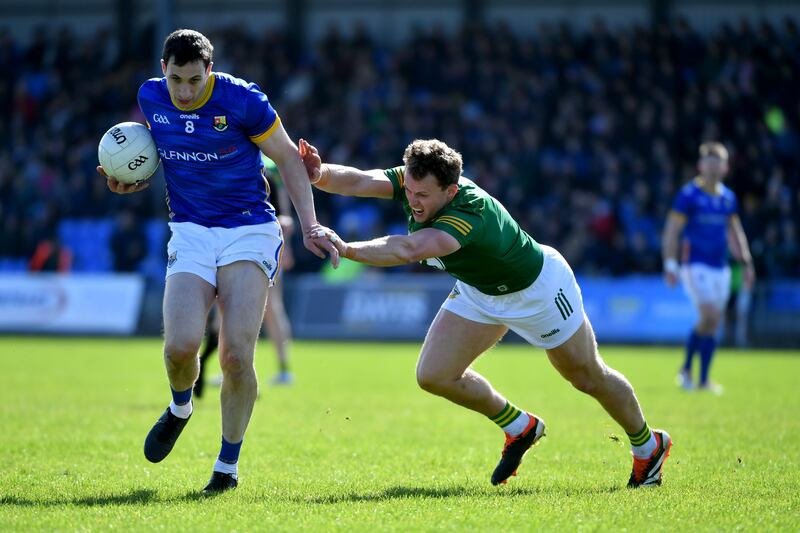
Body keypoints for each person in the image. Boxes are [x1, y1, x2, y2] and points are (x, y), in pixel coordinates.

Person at [301, 138, 671, 488]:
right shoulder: (417, 181)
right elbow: (362, 180)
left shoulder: (469, 213)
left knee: (587, 376)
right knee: (434, 375)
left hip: (537, 292)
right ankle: (520, 426)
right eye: (409, 190)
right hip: (479, 290)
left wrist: (347, 249)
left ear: (451, 191)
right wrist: (321, 174)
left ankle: (648, 445)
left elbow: (408, 249)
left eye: (423, 195)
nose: (412, 201)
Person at [96, 29, 337, 494]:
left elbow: (289, 159)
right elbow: (154, 155)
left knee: (235, 355)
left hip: (249, 229)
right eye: (175, 79)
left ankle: (226, 467)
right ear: (163, 71)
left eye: (194, 80)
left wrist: (310, 225)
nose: (184, 91)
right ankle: (180, 407)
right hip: (190, 232)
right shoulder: (150, 98)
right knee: (179, 347)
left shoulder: (244, 100)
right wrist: (129, 180)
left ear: (210, 70)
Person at [194, 157, 296, 399]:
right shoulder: (246, 160)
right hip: (235, 245)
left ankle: (281, 369)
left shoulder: (265, 166)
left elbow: (283, 215)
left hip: (263, 245)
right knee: (229, 312)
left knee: (269, 308)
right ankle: (234, 368)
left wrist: (286, 246)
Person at [662, 142, 754, 393]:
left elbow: (735, 232)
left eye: (718, 163)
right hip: (695, 265)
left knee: (714, 323)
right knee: (710, 315)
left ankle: (702, 380)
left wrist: (746, 262)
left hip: (721, 267)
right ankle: (686, 369)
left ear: (725, 168)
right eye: (709, 162)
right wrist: (670, 263)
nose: (713, 168)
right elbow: (672, 230)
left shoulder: (728, 198)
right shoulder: (688, 195)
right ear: (701, 165)